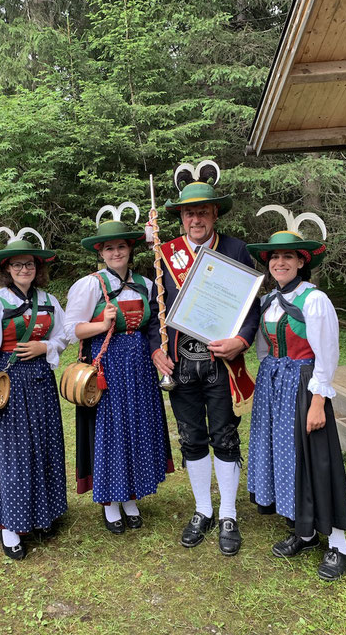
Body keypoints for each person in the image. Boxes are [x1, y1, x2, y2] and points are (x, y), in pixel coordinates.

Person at [149, 161, 260, 556]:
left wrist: (242, 342)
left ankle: (228, 513)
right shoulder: (166, 254)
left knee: (225, 436)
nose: (196, 219)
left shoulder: (235, 250)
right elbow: (154, 314)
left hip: (221, 364)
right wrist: (155, 350)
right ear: (181, 217)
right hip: (181, 365)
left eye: (203, 211)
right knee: (192, 437)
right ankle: (203, 510)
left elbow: (252, 309)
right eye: (189, 212)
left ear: (215, 214)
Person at [246, 205, 346, 580]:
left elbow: (327, 354)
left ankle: (338, 542)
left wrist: (319, 400)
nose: (279, 262)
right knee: (286, 458)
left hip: (305, 387)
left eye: (287, 256)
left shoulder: (314, 300)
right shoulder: (266, 301)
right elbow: (263, 349)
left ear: (301, 261)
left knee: (316, 458)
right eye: (274, 256)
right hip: (274, 386)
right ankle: (304, 532)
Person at [64, 203, 174, 533]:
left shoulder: (147, 283)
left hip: (139, 367)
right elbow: (71, 331)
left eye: (122, 246)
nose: (116, 252)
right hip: (106, 367)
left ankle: (131, 496)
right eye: (109, 247)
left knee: (135, 427)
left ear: (130, 249)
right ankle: (111, 502)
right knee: (110, 431)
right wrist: (100, 324)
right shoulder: (89, 285)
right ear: (100, 251)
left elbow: (156, 323)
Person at [0, 227, 68, 560]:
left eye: (30, 264)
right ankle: (11, 526)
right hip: (10, 386)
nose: (24, 270)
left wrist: (44, 345)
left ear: (38, 268)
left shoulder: (49, 301)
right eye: (17, 265)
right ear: (6, 269)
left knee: (46, 448)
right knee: (15, 457)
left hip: (41, 386)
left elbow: (63, 337)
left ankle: (43, 515)